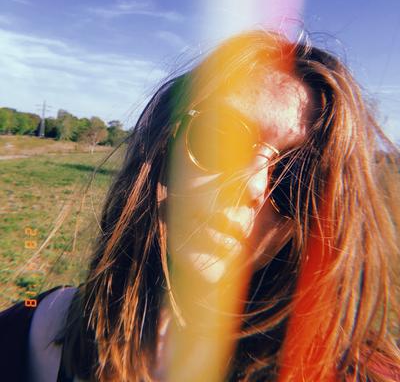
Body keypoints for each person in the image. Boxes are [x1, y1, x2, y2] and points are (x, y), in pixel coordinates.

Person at [1, 30, 399, 382]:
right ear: (162, 148)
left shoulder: (360, 372)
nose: (252, 186)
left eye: (298, 177)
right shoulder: (37, 331)